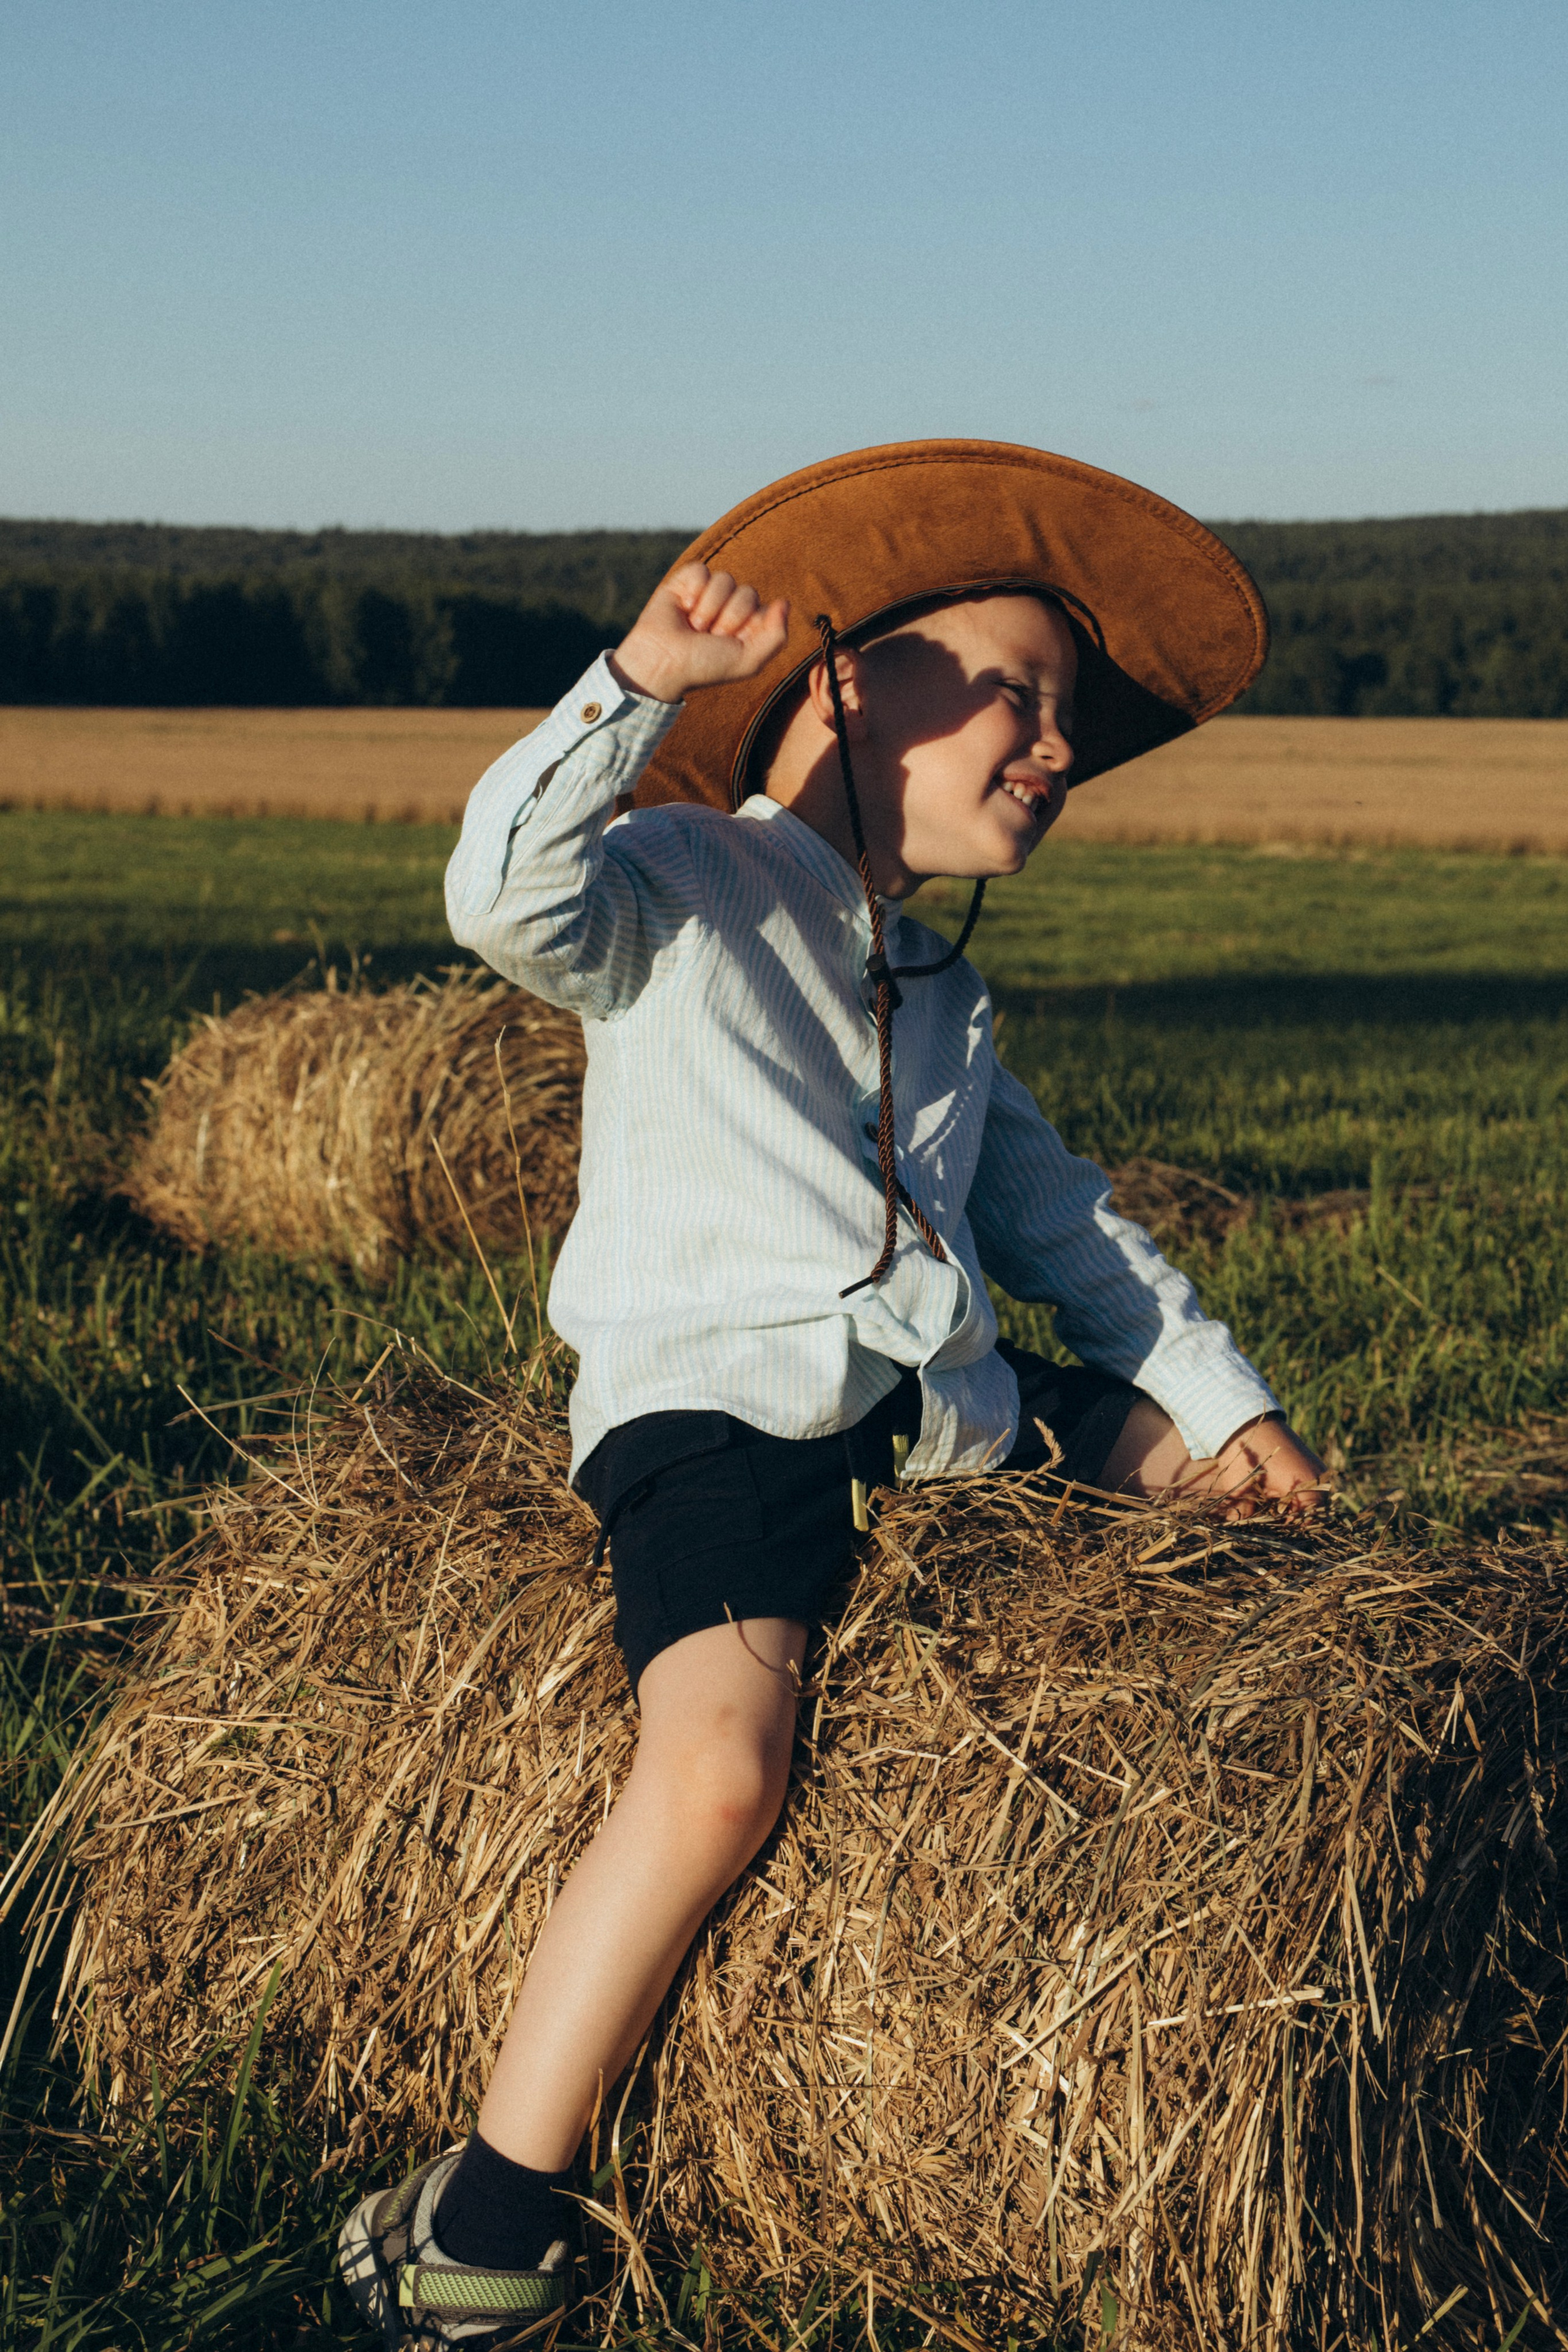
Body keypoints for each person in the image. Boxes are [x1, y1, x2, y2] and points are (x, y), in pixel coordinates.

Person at [337, 440, 1325, 2344]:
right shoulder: (683, 882)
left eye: (1068, 715)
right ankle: (481, 2219)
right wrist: (635, 687)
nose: (1059, 746)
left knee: (1219, 1479)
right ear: (852, 689)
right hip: (732, 1422)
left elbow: (1061, 1221)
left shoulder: (937, 986)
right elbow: (501, 896)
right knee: (719, 1771)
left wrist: (1223, 1405)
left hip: (937, 1414)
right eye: (1020, 696)